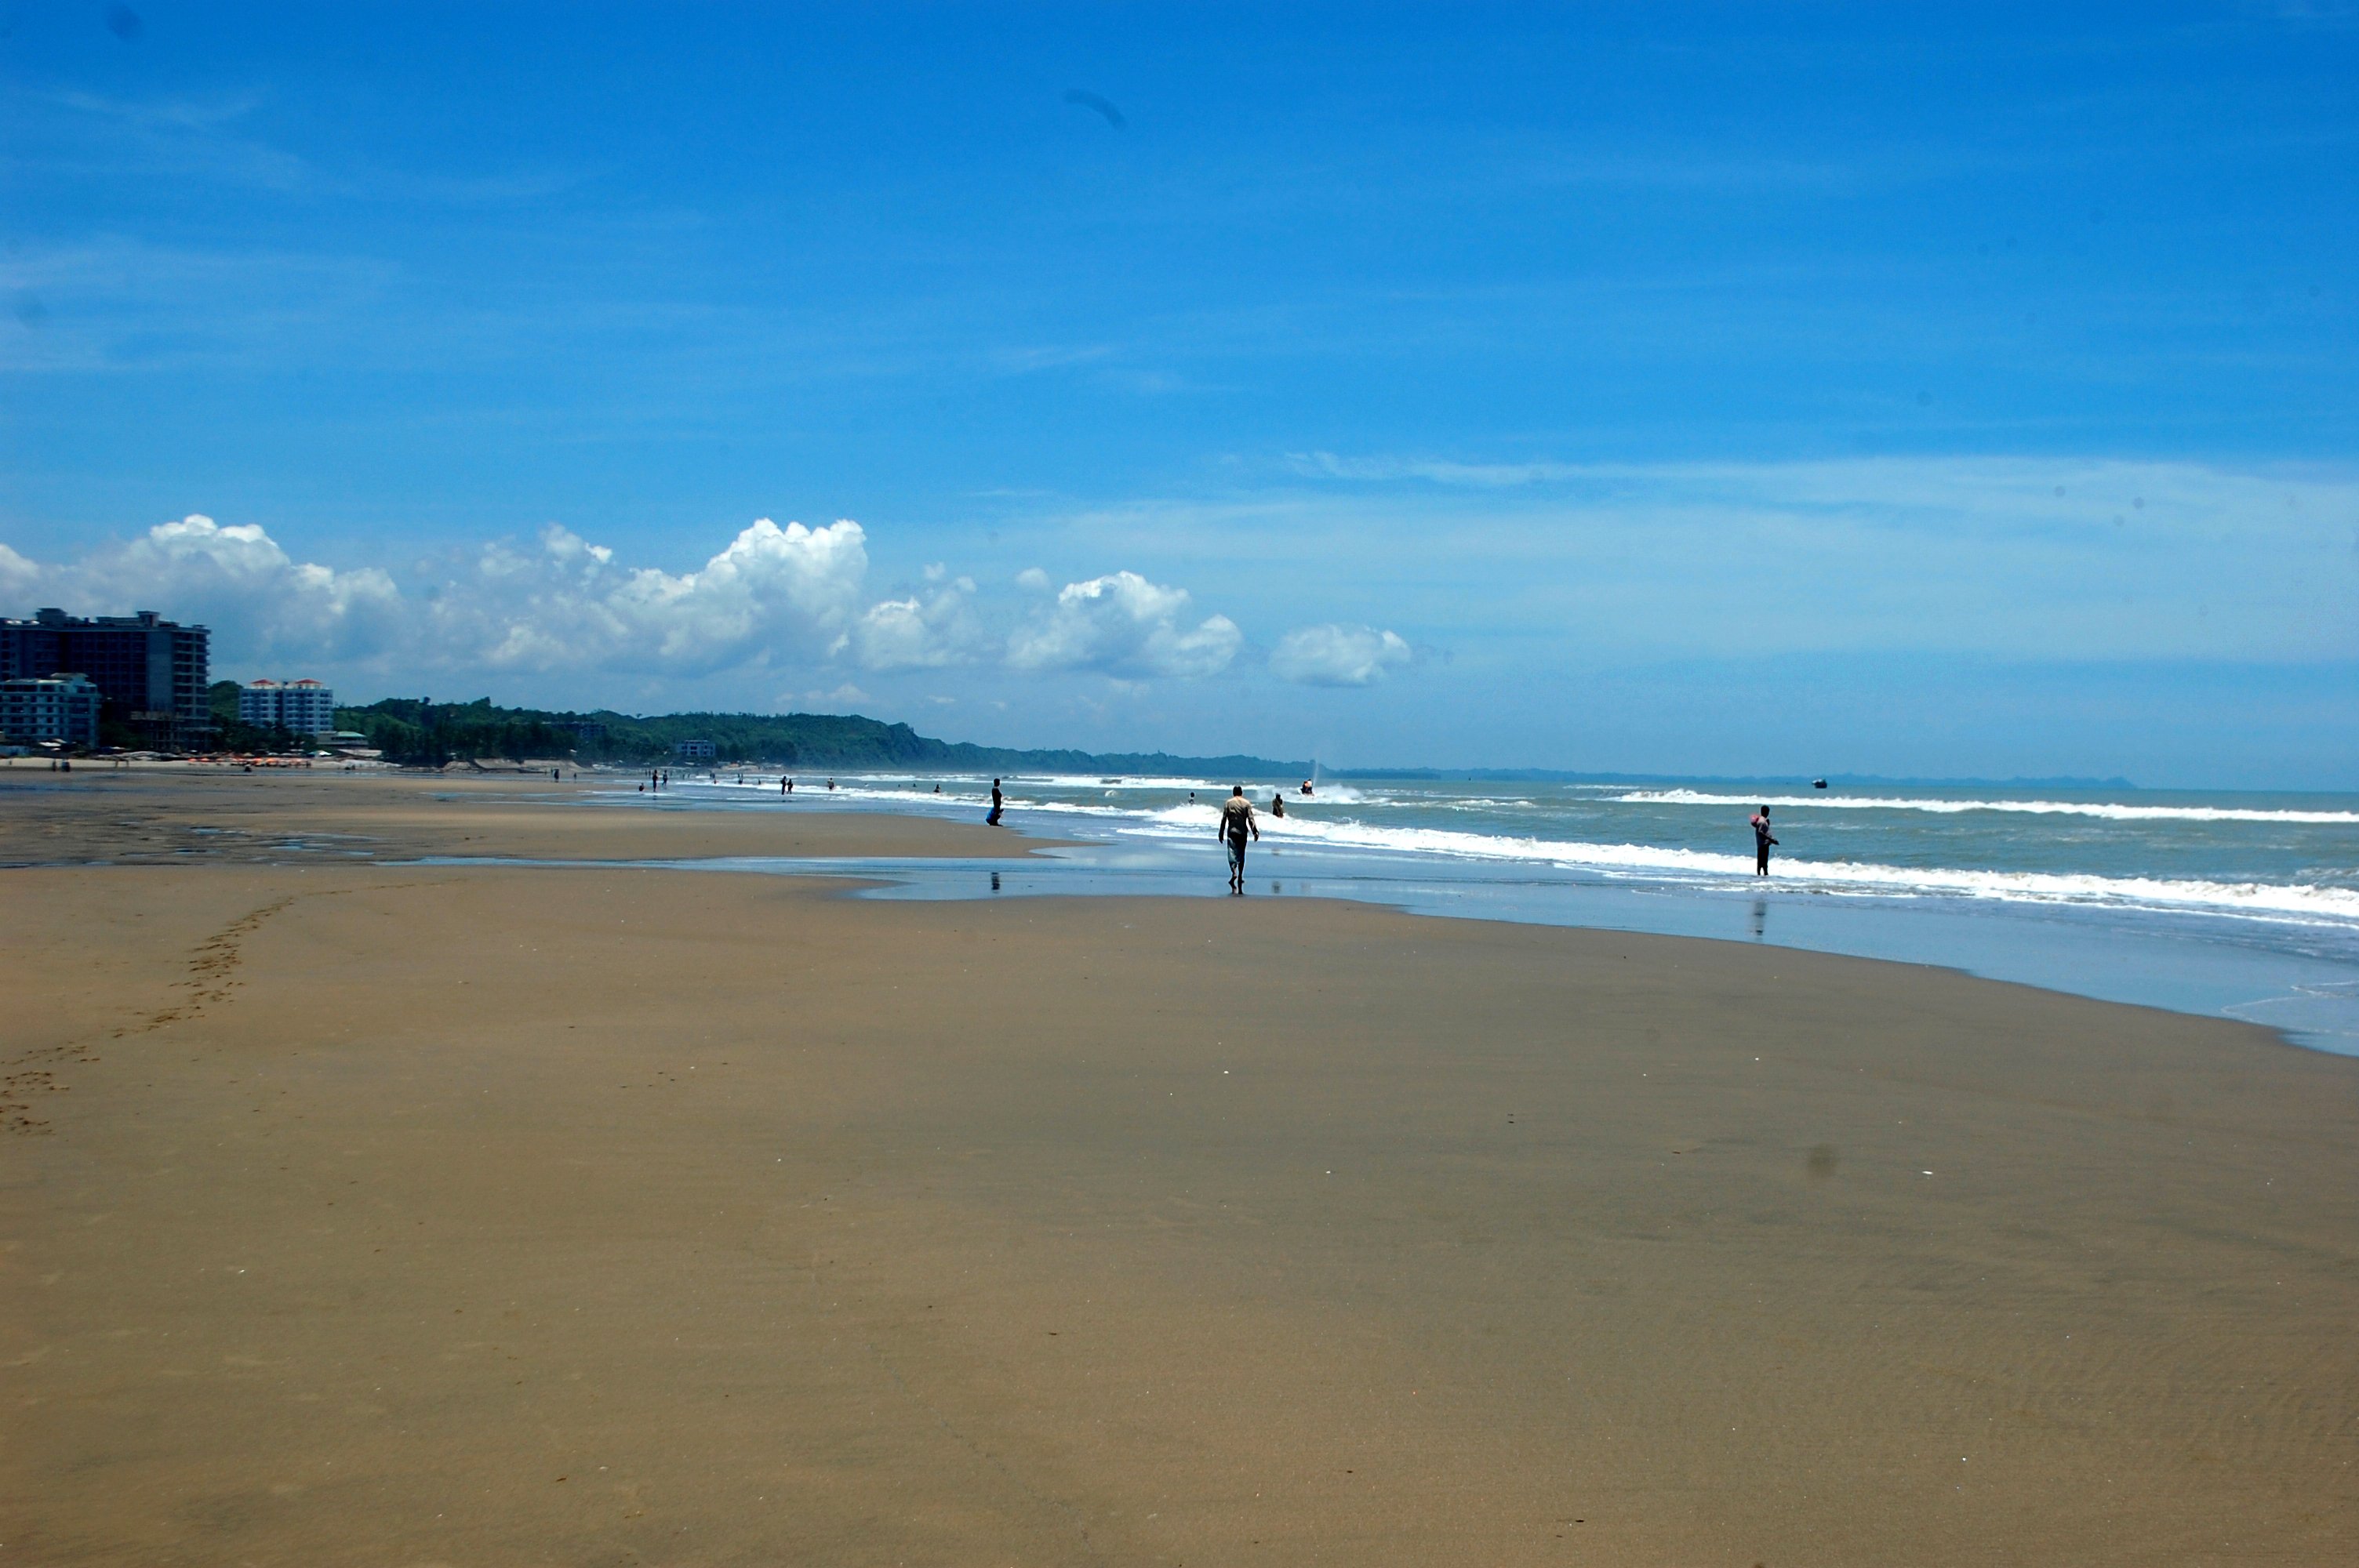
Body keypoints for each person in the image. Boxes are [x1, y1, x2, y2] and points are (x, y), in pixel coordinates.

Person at [1218, 785, 1259, 892]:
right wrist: (1255, 832)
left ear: (1233, 793)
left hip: (1232, 831)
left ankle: (1234, 871)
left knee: (1231, 851)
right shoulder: (1247, 803)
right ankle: (1240, 876)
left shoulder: (1228, 803)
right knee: (1241, 853)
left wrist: (1221, 832)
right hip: (1243, 832)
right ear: (1241, 793)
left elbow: (1224, 819)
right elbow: (1251, 819)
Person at [1750, 805, 1778, 877]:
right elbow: (1760, 832)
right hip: (1763, 844)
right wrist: (1771, 839)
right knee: (1763, 861)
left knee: (1762, 861)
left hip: (1763, 844)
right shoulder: (1762, 821)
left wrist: (1768, 824)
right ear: (1766, 812)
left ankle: (1762, 875)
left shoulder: (1763, 820)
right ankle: (1763, 875)